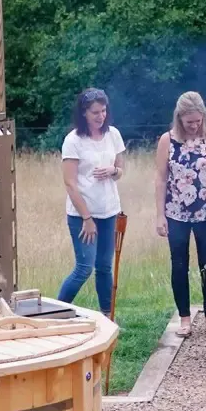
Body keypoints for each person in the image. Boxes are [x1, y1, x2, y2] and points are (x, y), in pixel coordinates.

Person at [154, 90, 206, 338]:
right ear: (179, 119)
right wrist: (159, 215)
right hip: (176, 213)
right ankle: (184, 319)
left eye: (198, 121)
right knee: (179, 265)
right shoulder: (167, 140)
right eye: (189, 122)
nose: (194, 126)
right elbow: (161, 178)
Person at [57, 87, 125, 313]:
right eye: (95, 112)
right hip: (82, 215)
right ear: (84, 113)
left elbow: (121, 170)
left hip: (109, 211)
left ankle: (108, 315)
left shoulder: (113, 134)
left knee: (104, 267)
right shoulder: (73, 141)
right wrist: (87, 218)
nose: (100, 116)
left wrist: (112, 170)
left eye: (103, 111)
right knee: (85, 267)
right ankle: (55, 312)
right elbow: (70, 183)